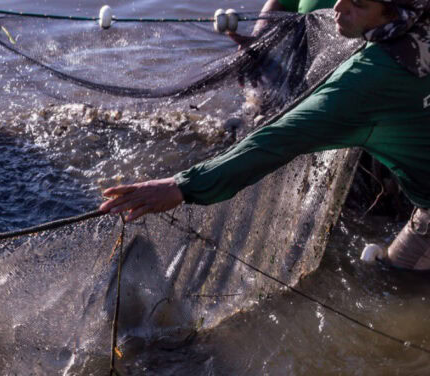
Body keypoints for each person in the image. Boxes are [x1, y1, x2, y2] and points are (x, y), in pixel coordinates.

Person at [100, 0, 430, 271]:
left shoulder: (367, 79)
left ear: (395, 14)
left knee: (395, 281)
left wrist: (182, 186)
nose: (338, 8)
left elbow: (278, 139)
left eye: (358, 5)